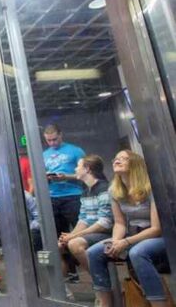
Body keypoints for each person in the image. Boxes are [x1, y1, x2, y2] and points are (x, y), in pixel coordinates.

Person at [87, 150, 171, 307]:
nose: (116, 161)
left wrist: (125, 242)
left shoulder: (151, 187)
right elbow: (119, 223)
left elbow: (156, 228)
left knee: (138, 252)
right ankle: (105, 303)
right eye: (115, 158)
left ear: (135, 165)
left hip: (159, 236)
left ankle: (159, 303)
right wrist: (116, 242)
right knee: (94, 252)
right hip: (133, 235)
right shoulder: (114, 190)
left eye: (123, 159)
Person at [42, 124, 85, 281]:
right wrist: (46, 178)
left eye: (54, 139)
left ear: (61, 135)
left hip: (73, 195)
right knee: (59, 237)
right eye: (48, 140)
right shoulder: (44, 154)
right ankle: (71, 272)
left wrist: (67, 177)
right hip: (53, 197)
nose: (52, 143)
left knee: (79, 231)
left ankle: (90, 266)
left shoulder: (75, 151)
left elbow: (85, 174)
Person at [57, 155, 112, 278]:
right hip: (92, 232)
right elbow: (84, 219)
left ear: (87, 169)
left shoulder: (104, 189)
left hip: (108, 233)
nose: (75, 169)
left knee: (75, 244)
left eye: (78, 166)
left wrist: (75, 236)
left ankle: (100, 281)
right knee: (59, 245)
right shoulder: (86, 192)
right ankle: (67, 289)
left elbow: (105, 223)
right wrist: (70, 235)